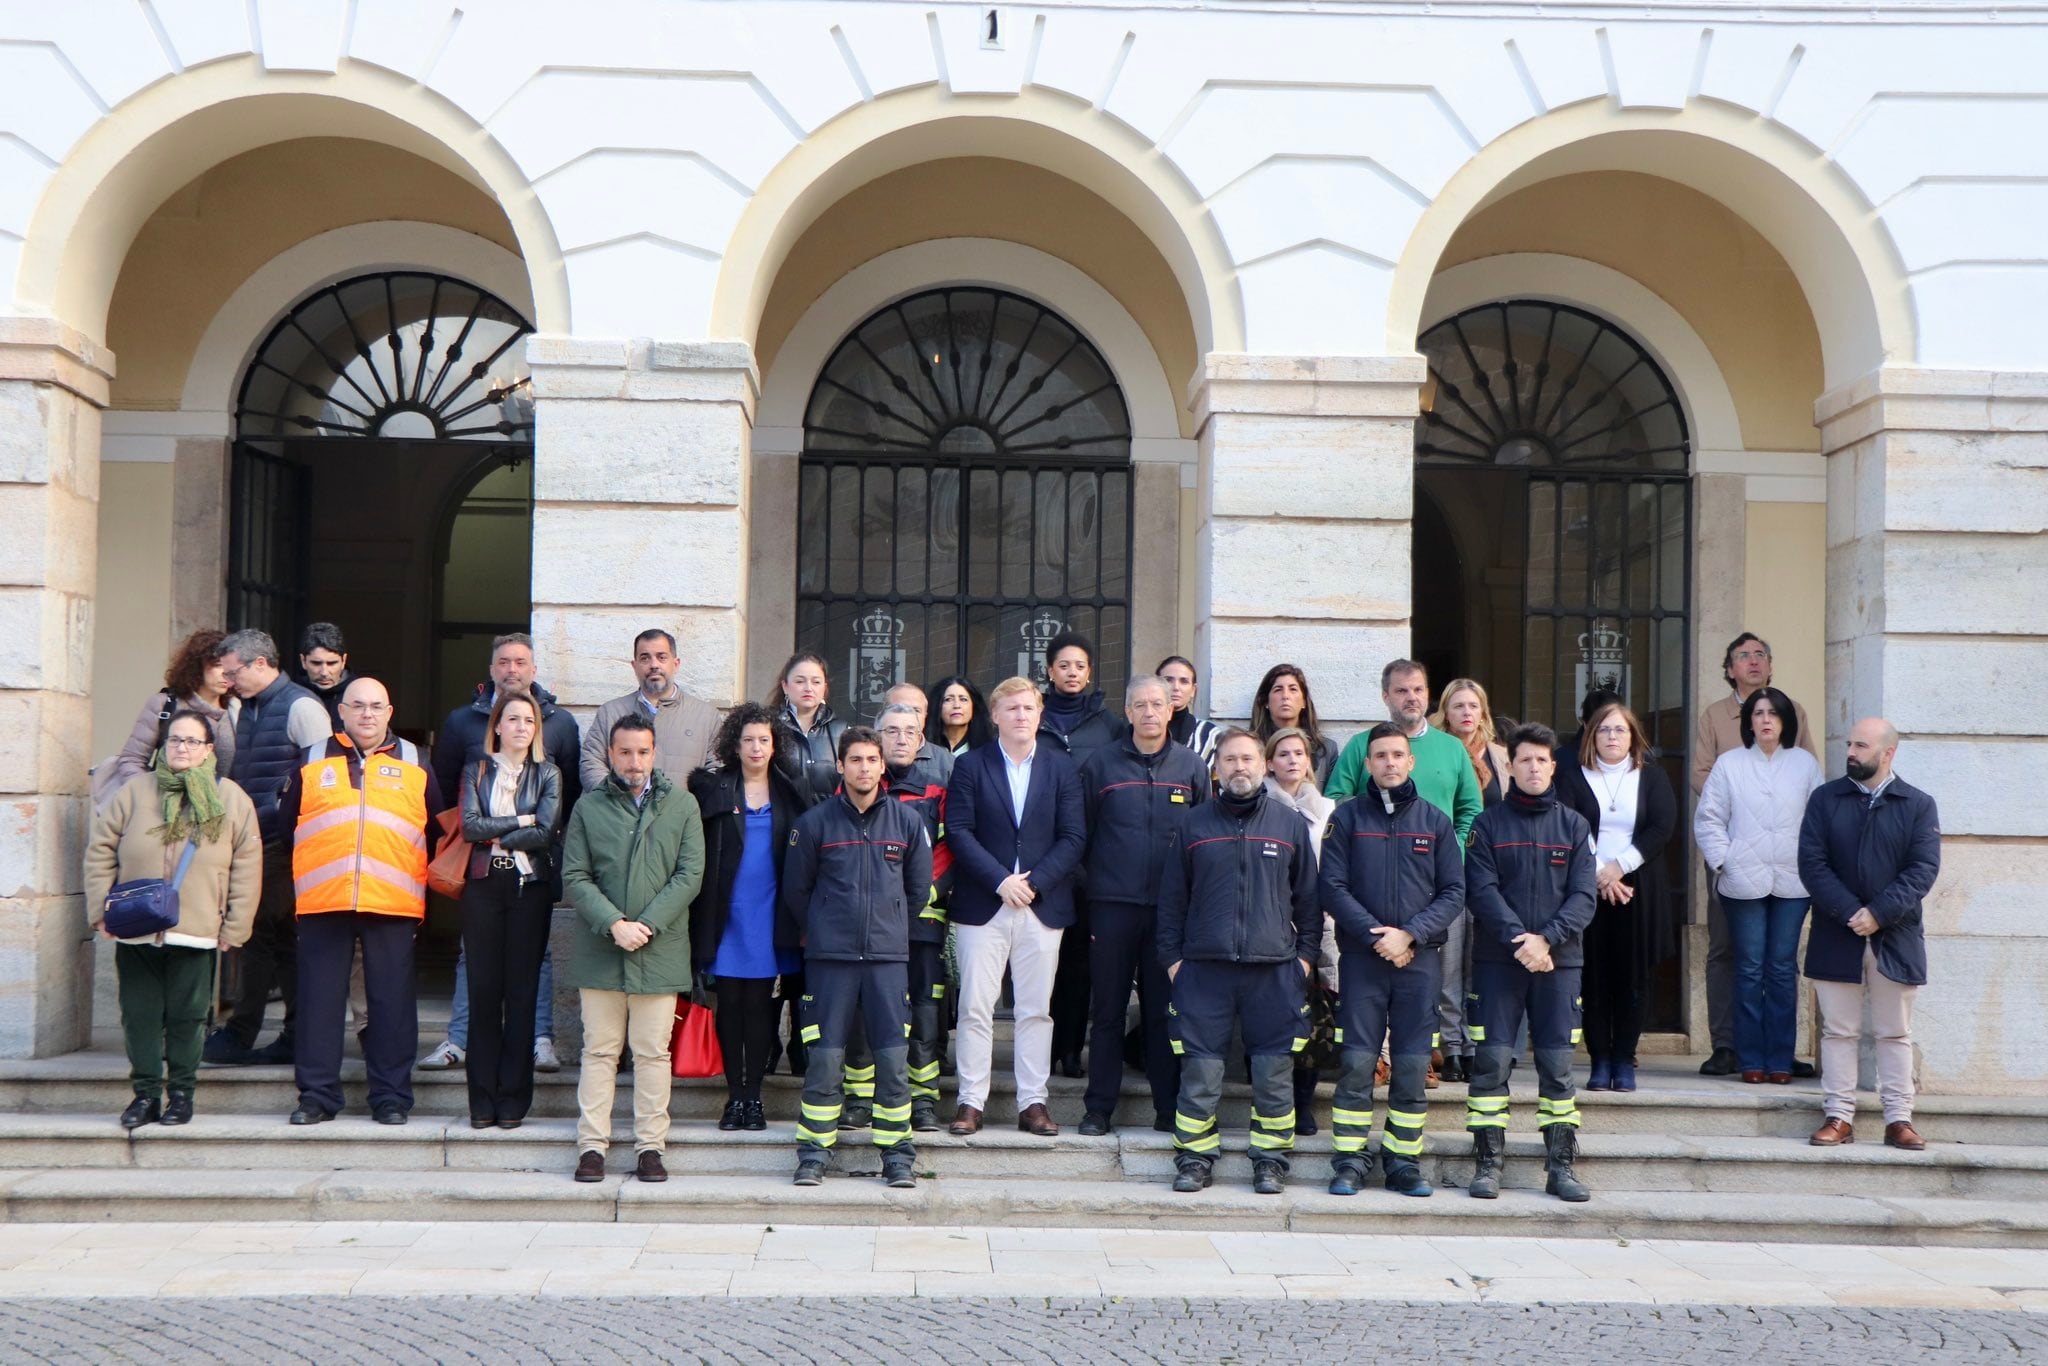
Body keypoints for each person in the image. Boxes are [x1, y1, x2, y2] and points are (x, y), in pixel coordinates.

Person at [1157, 729, 1321, 1195]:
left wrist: (1303, 962)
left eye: (1248, 758)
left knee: (1273, 1072)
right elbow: (1171, 903)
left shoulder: (1289, 825)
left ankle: (1270, 1160)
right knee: (1201, 1071)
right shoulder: (1193, 824)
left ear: (1264, 765)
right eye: (1229, 760)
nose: (1239, 768)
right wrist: (1174, 962)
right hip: (1203, 971)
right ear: (1217, 768)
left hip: (1274, 971)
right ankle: (1193, 1157)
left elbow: (1308, 902)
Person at [85, 710, 262, 1129]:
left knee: (188, 1016)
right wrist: (99, 910)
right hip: (135, 926)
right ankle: (145, 1094)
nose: (182, 748)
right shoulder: (134, 791)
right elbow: (100, 851)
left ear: (208, 751)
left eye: (192, 742)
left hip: (198, 927)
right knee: (140, 1015)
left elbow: (247, 865)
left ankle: (181, 1094)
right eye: (175, 740)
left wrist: (236, 926)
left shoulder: (231, 798)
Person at [281, 678, 443, 1126]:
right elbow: (285, 823)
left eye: (376, 706)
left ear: (390, 712)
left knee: (391, 1004)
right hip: (323, 899)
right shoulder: (311, 759)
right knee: (319, 1002)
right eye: (358, 706)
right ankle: (316, 1097)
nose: (367, 714)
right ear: (342, 712)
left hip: (392, 901)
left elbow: (436, 828)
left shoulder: (417, 761)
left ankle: (391, 1097)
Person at [419, 632, 580, 1075]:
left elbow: (566, 801)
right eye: (504, 662)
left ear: (533, 669)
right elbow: (445, 793)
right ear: (491, 670)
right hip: (480, 866)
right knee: (474, 953)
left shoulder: (561, 724)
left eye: (521, 662)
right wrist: (492, 832)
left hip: (536, 866)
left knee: (539, 954)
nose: (512, 669)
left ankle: (539, 1040)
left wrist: (519, 832)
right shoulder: (461, 722)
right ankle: (459, 1039)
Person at [782, 727, 934, 1188]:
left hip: (888, 960)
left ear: (882, 766)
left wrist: (889, 929)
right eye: (856, 760)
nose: (864, 768)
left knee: (892, 1059)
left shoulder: (908, 824)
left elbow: (916, 889)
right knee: (825, 1059)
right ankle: (813, 1153)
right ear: (842, 767)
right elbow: (796, 892)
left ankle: (897, 1156)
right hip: (831, 960)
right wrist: (827, 928)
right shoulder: (814, 823)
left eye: (872, 759)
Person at [1319, 723, 1466, 1197]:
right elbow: (1332, 887)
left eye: (1397, 755)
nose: (1388, 763)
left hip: (1420, 961)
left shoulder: (1435, 822)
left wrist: (1409, 935)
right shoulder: (1346, 820)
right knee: (1359, 1064)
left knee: (1408, 1066)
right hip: (1362, 961)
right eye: (1379, 756)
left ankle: (1403, 1161)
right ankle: (1349, 1160)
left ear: (1411, 761)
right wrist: (1375, 935)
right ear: (1367, 763)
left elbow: (1453, 892)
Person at [944, 676, 1087, 1137]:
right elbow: (960, 831)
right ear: (996, 717)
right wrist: (1001, 880)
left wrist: (1035, 882)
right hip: (983, 903)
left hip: (1041, 906)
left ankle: (1033, 1103)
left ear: (1040, 715)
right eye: (1012, 709)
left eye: (1028, 708)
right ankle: (970, 1101)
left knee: (1034, 1010)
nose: (1021, 716)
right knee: (975, 1007)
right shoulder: (972, 767)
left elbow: (1074, 837)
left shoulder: (1061, 768)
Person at [1327, 661, 1482, 1084]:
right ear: (1386, 697)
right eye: (1400, 691)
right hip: (1371, 897)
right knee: (1369, 995)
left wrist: (1454, 852)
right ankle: (1379, 1060)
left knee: (1441, 979)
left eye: (1417, 689)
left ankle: (1434, 1055)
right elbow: (1335, 800)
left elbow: (1471, 809)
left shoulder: (1452, 749)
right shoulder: (1361, 745)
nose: (1410, 697)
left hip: (1432, 892)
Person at [566, 714, 705, 1184]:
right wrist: (613, 924)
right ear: (610, 754)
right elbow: (574, 877)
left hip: (659, 949)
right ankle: (592, 1147)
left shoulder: (682, 805)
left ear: (654, 752)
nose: (634, 761)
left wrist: (644, 924)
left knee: (652, 1053)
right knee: (600, 1052)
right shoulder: (588, 807)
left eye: (642, 751)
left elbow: (690, 875)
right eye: (624, 751)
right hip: (601, 951)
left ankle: (650, 1147)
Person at [1464, 723, 1598, 1203]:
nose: (1534, 767)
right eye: (1525, 760)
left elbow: (1585, 897)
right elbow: (1481, 892)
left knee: (1558, 1067)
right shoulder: (1487, 826)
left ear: (1553, 766)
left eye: (1542, 760)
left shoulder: (1575, 827)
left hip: (1559, 965)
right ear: (1511, 766)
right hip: (1499, 964)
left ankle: (1561, 1167)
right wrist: (1521, 941)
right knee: (1491, 1063)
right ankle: (1487, 1165)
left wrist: (1547, 941)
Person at [1075, 674, 1208, 1136]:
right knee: (1109, 1011)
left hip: (1171, 914)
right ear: (1127, 712)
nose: (1149, 712)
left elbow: (1205, 840)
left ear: (1171, 709)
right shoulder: (1101, 766)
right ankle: (1098, 1109)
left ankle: (1167, 1109)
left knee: (1162, 1012)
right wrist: (1098, 887)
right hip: (1112, 907)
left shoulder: (1191, 767)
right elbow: (1081, 837)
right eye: (1139, 705)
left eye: (1157, 704)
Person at [1800, 718, 1940, 1152]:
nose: (1851, 752)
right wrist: (1850, 912)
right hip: (1836, 930)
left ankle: (1899, 1119)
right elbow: (1811, 863)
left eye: (1862, 745)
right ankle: (1839, 1116)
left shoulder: (1918, 804)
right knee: (1837, 1031)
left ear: (1888, 753)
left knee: (1894, 1032)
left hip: (1894, 935)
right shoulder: (1825, 799)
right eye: (1850, 744)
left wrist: (1878, 914)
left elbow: (1922, 870)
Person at [1692, 631, 1820, 1078]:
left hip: (1791, 879)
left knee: (1782, 968)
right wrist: (1725, 859)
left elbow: (1818, 815)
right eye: (1758, 714)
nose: (1766, 720)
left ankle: (1780, 1056)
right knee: (1745, 966)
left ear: (1785, 720)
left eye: (1773, 714)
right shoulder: (1730, 762)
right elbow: (1707, 817)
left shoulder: (1804, 764)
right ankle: (1745, 1056)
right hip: (1741, 877)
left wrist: (1811, 863)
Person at [204, 628, 330, 1066]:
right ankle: (266, 1033)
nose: (229, 679)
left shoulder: (301, 707)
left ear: (261, 664)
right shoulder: (247, 708)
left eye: (234, 671)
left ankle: (259, 1034)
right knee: (261, 939)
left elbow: (321, 783)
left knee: (273, 940)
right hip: (253, 842)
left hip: (284, 845)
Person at [688, 703, 813, 1132]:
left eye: (764, 739)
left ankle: (754, 1099)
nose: (756, 747)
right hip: (725, 913)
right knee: (729, 1010)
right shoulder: (714, 789)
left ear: (774, 744)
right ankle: (733, 1097)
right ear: (734, 746)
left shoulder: (792, 791)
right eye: (748, 740)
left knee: (762, 1009)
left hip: (771, 913)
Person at [1557, 702, 1679, 1093]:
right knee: (1593, 978)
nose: (1612, 737)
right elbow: (1569, 824)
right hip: (1586, 888)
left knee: (1633, 978)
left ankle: (1624, 1060)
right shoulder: (1573, 774)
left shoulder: (1652, 775)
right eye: (1605, 730)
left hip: (1637, 890)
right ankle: (1600, 1060)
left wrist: (1619, 867)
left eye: (1620, 730)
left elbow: (1662, 826)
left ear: (1633, 736)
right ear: (1591, 734)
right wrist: (1598, 872)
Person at [457, 689, 564, 1129]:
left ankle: (513, 1101)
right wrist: (521, 820)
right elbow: (468, 827)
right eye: (513, 719)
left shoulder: (550, 774)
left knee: (521, 994)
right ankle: (481, 1100)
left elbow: (548, 831)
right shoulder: (475, 769)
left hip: (529, 888)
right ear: (497, 725)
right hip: (483, 884)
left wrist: (499, 830)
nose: (521, 727)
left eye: (529, 721)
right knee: (484, 993)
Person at [1036, 630, 1125, 1081]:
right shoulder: (1034, 718)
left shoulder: (1108, 724)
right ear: (1050, 670)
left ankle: (1071, 1050)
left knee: (1079, 962)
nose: (1072, 673)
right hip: (1040, 854)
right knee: (1039, 959)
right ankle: (1039, 1052)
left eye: (1080, 666)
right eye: (1064, 665)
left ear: (1090, 672)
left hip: (1094, 858)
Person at [877, 702, 955, 1131]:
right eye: (891, 731)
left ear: (921, 740)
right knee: (876, 1008)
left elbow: (946, 852)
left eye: (909, 731)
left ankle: (923, 1101)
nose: (901, 738)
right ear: (879, 738)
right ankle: (873, 1094)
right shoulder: (861, 786)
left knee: (925, 1010)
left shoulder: (938, 792)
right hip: (872, 924)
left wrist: (915, 896)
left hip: (923, 921)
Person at [1263, 727, 1336, 1135]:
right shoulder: (1256, 805)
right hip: (1269, 920)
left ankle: (1304, 1101)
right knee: (1273, 1013)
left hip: (1318, 920)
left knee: (1313, 1012)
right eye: (1283, 753)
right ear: (1269, 762)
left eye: (1299, 753)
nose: (1292, 760)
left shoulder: (1326, 809)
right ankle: (1272, 1098)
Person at [99, 628, 238, 800]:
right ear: (197, 666)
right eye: (218, 665)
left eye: (230, 667)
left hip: (217, 811)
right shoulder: (165, 704)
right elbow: (132, 760)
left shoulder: (236, 711)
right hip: (164, 810)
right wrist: (149, 800)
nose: (226, 674)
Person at [577, 627, 722, 792]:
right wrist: (617, 804)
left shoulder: (706, 716)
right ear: (635, 665)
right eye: (645, 658)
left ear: (675, 664)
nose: (654, 665)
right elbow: (591, 763)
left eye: (662, 657)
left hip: (681, 816)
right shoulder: (610, 713)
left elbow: (717, 771)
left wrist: (686, 809)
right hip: (620, 815)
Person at [768, 651, 845, 802]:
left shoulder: (842, 730)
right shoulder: (769, 726)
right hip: (783, 822)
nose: (808, 688)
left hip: (829, 821)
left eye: (816, 682)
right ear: (785, 686)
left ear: (824, 687)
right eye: (800, 681)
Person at [1249, 663, 1334, 789]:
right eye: (1278, 690)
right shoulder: (1250, 747)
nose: (1285, 696)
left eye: (1293, 689)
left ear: (1304, 701)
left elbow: (1331, 799)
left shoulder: (1326, 749)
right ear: (1266, 701)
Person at [1433, 678, 1509, 808]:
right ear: (1446, 713)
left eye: (1473, 706)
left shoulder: (1501, 755)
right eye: (1459, 706)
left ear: (1482, 714)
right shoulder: (1434, 752)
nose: (1467, 712)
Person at [883, 681, 955, 791]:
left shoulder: (947, 762)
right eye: (900, 708)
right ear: (883, 713)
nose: (909, 715)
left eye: (916, 710)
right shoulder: (864, 756)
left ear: (925, 715)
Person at [1157, 655, 1221, 763]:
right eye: (1168, 680)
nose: (1176, 687)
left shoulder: (1209, 734)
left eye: (1184, 681)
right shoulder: (1140, 730)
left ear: (1193, 690)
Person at [296, 622, 354, 729]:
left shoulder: (360, 696)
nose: (324, 672)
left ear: (344, 661)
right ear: (303, 661)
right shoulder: (291, 697)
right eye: (316, 663)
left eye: (332, 663)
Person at [928, 675, 993, 756]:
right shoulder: (924, 747)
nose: (957, 705)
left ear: (974, 706)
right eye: (948, 699)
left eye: (963, 699)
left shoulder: (988, 749)